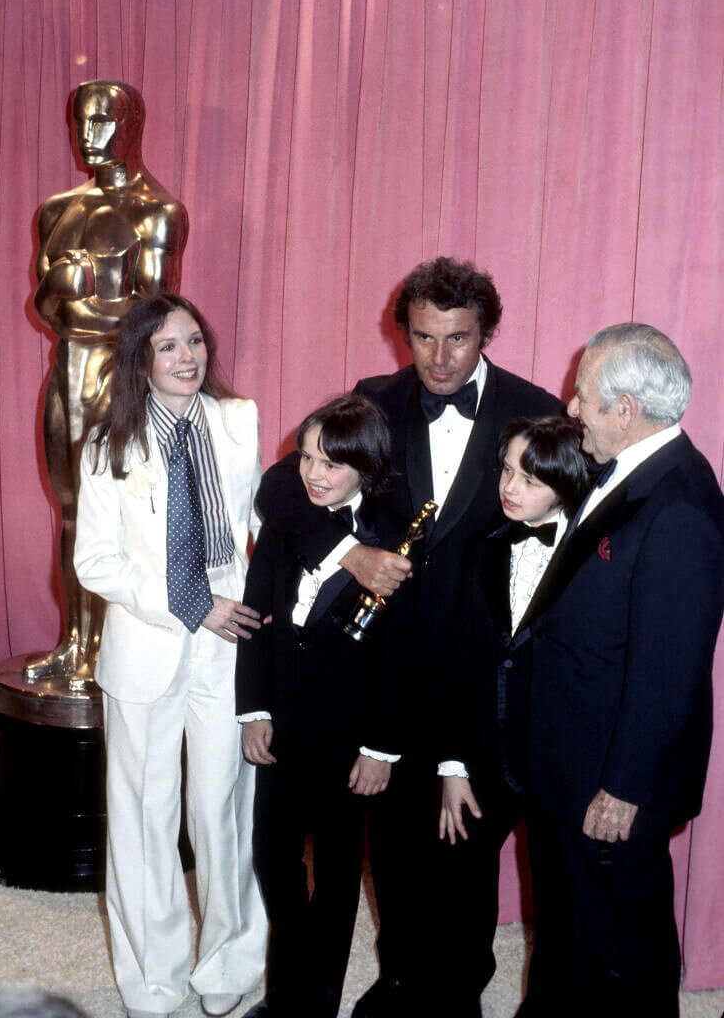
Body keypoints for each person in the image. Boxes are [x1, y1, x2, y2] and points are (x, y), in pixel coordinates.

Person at [254, 257, 562, 1017]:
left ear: (485, 331)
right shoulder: (375, 401)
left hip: (480, 677)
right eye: (422, 337)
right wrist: (347, 552)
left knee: (464, 853)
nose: (438, 357)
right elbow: (280, 487)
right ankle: (395, 984)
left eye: (456, 338)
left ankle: (454, 996)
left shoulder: (535, 409)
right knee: (388, 851)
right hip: (381, 675)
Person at [520, 324, 724, 1017]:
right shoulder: (633, 472)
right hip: (571, 752)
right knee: (572, 927)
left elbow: (668, 667)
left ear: (624, 409)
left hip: (612, 774)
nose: (570, 409)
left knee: (621, 943)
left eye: (582, 397)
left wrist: (623, 788)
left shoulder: (678, 507)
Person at [74, 294, 267, 1018]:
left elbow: (263, 524)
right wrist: (187, 603)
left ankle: (229, 968)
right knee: (144, 815)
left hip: (229, 636)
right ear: (140, 363)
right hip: (148, 639)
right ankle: (152, 981)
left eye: (194, 342)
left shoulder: (238, 420)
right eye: (168, 348)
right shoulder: (105, 445)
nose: (188, 358)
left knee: (221, 809)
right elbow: (94, 562)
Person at [237, 395, 413, 1018]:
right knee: (270, 854)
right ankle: (293, 982)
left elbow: (401, 658)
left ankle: (310, 1004)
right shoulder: (291, 520)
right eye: (306, 457)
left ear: (365, 470)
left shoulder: (397, 540)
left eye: (330, 465)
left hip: (350, 741)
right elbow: (257, 616)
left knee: (339, 876)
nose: (311, 474)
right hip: (282, 725)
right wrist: (254, 709)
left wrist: (380, 748)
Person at [27, 80, 188, 686]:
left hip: (121, 375)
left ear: (132, 125)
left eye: (103, 123)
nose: (89, 138)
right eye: (81, 123)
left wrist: (76, 292)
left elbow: (153, 313)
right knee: (70, 512)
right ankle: (74, 643)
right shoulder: (56, 210)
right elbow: (45, 307)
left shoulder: (158, 212)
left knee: (116, 517)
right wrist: (82, 292)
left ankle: (109, 653)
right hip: (66, 369)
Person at [436, 416, 591, 1013]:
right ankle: (456, 997)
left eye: (529, 477)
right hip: (478, 754)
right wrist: (451, 763)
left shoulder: (593, 556)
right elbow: (456, 661)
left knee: (559, 900)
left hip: (558, 759)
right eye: (505, 470)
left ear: (566, 480)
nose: (510, 486)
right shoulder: (482, 550)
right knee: (461, 888)